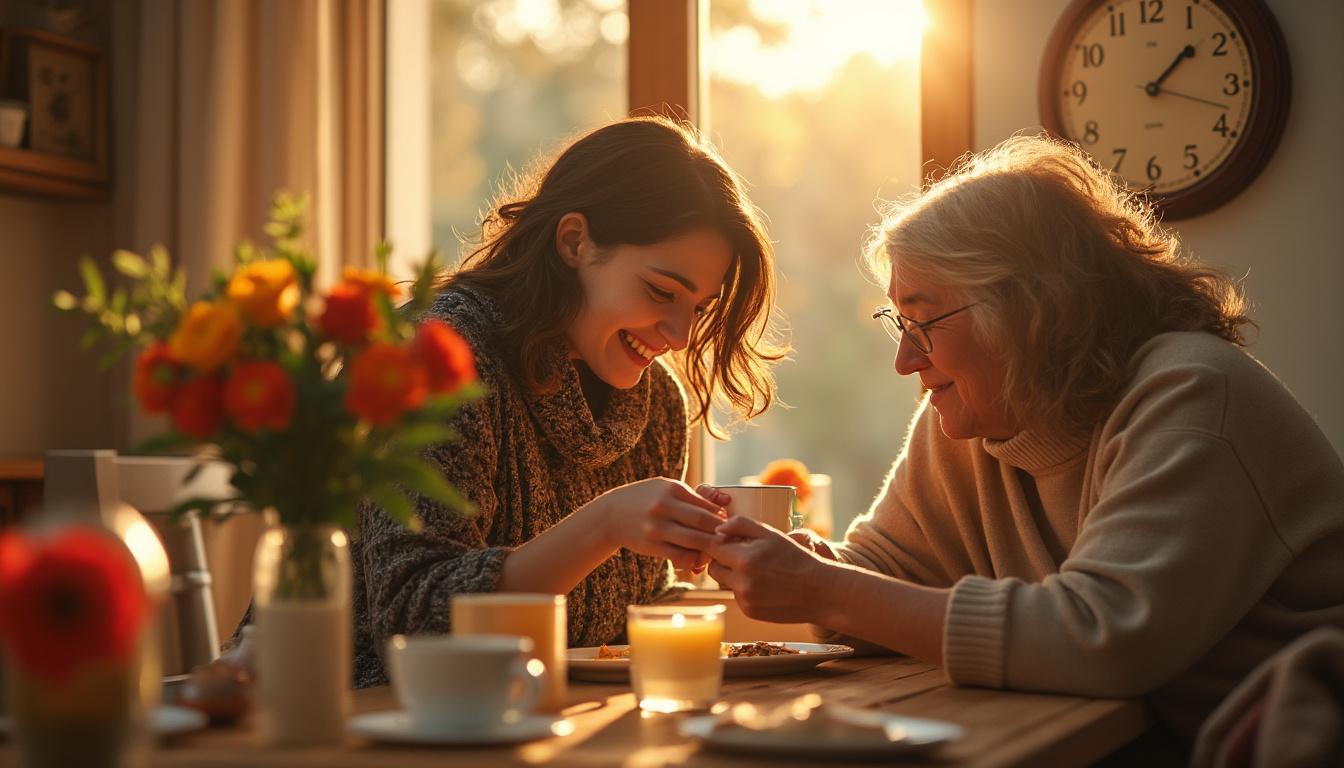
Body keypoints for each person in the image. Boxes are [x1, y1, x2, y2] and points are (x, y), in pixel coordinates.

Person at [705, 134, 1344, 749]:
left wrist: (823, 588)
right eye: (898, 323)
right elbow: (890, 575)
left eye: (924, 321)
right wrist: (793, 561)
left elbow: (1102, 640)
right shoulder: (969, 419)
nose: (904, 360)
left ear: (1032, 310)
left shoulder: (1191, 394)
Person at [342, 116, 784, 688]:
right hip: (371, 721)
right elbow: (413, 622)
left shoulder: (657, 408)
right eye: (660, 291)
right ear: (574, 241)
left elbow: (615, 624)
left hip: (549, 726)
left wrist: (759, 578)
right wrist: (602, 527)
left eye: (698, 307)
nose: (678, 334)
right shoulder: (441, 358)